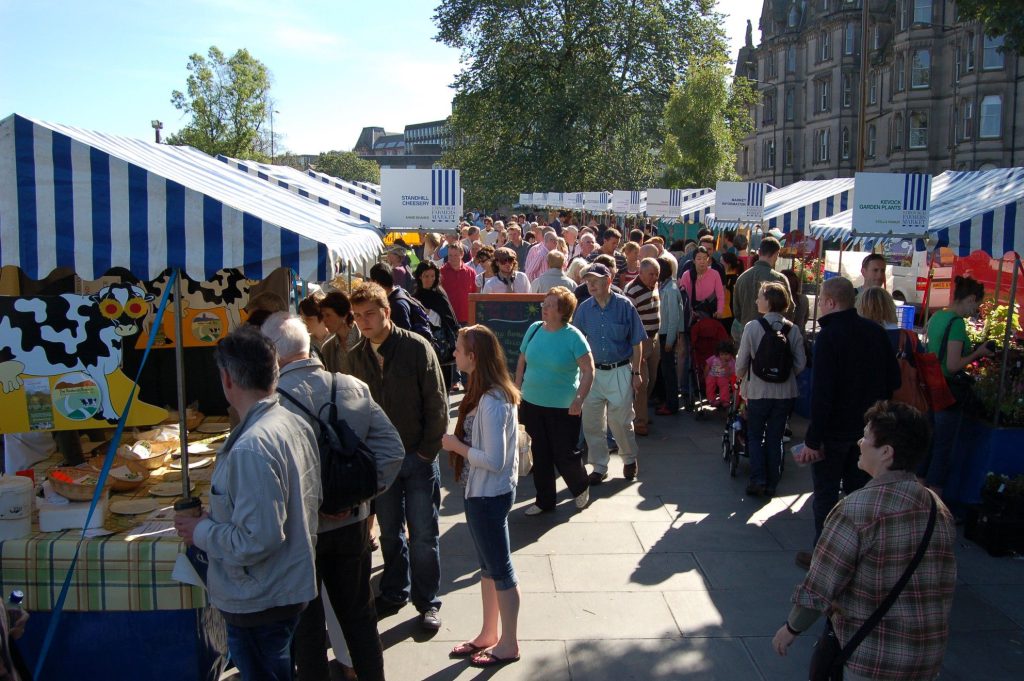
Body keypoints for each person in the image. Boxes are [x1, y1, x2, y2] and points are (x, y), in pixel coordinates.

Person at [263, 313, 405, 681]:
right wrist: (359, 497)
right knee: (359, 617)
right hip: (351, 524)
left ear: (273, 354)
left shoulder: (271, 404)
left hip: (299, 531)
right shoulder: (352, 386)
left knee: (307, 627)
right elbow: (392, 452)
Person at [174, 326, 320, 681]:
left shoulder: (254, 445)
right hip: (278, 589)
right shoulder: (288, 422)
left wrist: (203, 530)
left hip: (261, 598)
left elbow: (259, 538)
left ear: (227, 379)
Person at [772, 401, 956, 681]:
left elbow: (820, 585)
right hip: (927, 655)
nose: (860, 442)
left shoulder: (854, 510)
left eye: (867, 436)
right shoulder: (936, 507)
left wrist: (790, 629)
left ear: (886, 453)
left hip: (873, 657)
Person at [343, 283, 449, 631]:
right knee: (390, 532)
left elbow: (437, 403)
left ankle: (427, 600)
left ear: (386, 312)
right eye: (357, 316)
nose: (363, 322)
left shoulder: (416, 348)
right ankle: (394, 591)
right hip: (380, 464)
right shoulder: (356, 356)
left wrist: (426, 451)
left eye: (369, 314)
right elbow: (353, 410)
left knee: (423, 533)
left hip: (417, 457)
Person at [795, 277, 901, 569]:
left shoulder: (829, 336)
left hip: (834, 432)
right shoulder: (876, 333)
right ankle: (858, 553)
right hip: (869, 432)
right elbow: (894, 380)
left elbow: (822, 394)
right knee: (860, 496)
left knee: (826, 496)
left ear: (830, 302)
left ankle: (825, 556)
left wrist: (813, 440)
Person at [440, 326, 523, 668]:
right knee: (489, 569)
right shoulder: (490, 392)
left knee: (499, 569)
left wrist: (456, 445)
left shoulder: (491, 400)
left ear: (473, 357)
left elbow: (494, 460)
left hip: (488, 495)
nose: (454, 355)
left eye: (458, 350)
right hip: (485, 493)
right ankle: (490, 634)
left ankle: (508, 643)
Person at [515, 287, 595, 515]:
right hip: (531, 404)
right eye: (544, 304)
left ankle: (580, 487)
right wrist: (516, 389)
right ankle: (544, 501)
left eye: (550, 305)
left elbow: (589, 371)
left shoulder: (573, 337)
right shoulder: (534, 329)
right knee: (539, 454)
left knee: (565, 454)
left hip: (563, 408)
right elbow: (521, 360)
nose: (544, 308)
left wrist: (579, 399)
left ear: (563, 311)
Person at [573, 263, 646, 483]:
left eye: (595, 280)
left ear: (608, 281)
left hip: (620, 369)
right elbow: (576, 340)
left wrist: (636, 372)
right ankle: (599, 465)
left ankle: (629, 457)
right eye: (588, 281)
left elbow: (636, 342)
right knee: (592, 422)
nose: (591, 285)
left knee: (620, 421)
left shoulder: (625, 306)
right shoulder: (584, 309)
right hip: (593, 372)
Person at [923, 275, 995, 498]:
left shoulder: (937, 317)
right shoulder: (956, 323)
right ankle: (933, 503)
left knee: (928, 446)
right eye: (977, 305)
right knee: (942, 451)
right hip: (948, 393)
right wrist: (978, 352)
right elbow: (953, 365)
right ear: (971, 298)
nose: (976, 311)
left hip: (930, 388)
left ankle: (917, 497)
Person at [736, 283, 807, 497]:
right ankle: (772, 481)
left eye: (759, 297)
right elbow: (801, 362)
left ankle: (758, 479)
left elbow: (741, 363)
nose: (757, 301)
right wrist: (785, 375)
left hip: (758, 391)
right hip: (784, 393)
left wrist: (742, 378)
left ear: (768, 301)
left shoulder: (752, 327)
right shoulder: (792, 329)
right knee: (776, 438)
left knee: (755, 435)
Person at [623, 258, 661, 436]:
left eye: (656, 274)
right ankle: (640, 421)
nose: (655, 278)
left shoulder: (654, 285)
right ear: (641, 272)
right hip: (640, 340)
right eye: (651, 274)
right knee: (642, 382)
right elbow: (628, 320)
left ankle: (641, 411)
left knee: (652, 378)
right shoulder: (632, 290)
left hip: (654, 338)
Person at [730, 236, 791, 345]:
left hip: (747, 334)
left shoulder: (742, 278)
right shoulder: (779, 279)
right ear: (776, 254)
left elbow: (737, 311)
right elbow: (789, 309)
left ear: (759, 252)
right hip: (774, 336)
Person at [655, 255, 683, 416]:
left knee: (668, 372)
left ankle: (672, 404)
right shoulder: (665, 287)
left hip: (666, 335)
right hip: (663, 334)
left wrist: (670, 340)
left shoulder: (670, 290)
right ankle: (664, 399)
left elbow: (673, 317)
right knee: (664, 371)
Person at [679, 246, 725, 321]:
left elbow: (720, 295)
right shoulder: (687, 275)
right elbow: (682, 296)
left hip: (709, 313)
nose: (702, 261)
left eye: (704, 258)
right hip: (691, 314)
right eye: (699, 259)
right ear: (694, 261)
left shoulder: (715, 274)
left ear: (708, 260)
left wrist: (719, 311)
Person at [320, 291, 361, 374]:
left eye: (328, 315)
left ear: (344, 315)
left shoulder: (366, 339)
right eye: (322, 316)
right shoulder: (327, 349)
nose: (324, 320)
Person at [441, 242, 478, 325]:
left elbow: (475, 294)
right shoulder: (441, 272)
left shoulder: (471, 272)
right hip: (448, 317)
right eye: (450, 255)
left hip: (467, 317)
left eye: (455, 255)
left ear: (462, 254)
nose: (452, 258)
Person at [704, 340, 737, 409]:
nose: (724, 357)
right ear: (718, 353)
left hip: (723, 376)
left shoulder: (732, 361)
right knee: (710, 386)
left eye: (726, 354)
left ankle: (725, 401)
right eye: (722, 354)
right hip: (712, 375)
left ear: (731, 354)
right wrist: (705, 374)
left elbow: (731, 374)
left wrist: (726, 367)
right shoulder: (714, 358)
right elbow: (708, 365)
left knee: (724, 387)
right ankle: (711, 399)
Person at [298, 292, 330, 363]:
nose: (304, 323)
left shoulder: (335, 339)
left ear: (322, 317)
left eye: (308, 319)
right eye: (302, 319)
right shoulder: (305, 342)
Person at [720, 251, 744, 335]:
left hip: (725, 314)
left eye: (721, 262)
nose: (720, 265)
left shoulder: (725, 279)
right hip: (735, 314)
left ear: (728, 264)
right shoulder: (739, 278)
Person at [780, 269, 809, 334]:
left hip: (782, 337)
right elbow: (805, 318)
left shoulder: (780, 300)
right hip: (799, 335)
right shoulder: (804, 299)